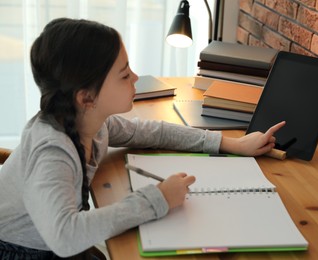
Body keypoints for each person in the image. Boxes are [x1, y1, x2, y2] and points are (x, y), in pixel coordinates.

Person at [0, 18, 285, 259]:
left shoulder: (92, 123)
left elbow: (152, 131)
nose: (136, 77)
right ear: (86, 97)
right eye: (124, 75)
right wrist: (158, 198)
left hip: (55, 241)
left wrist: (230, 143)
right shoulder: (53, 152)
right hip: (23, 250)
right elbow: (65, 237)